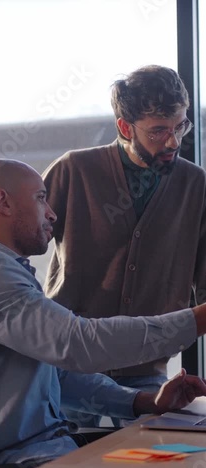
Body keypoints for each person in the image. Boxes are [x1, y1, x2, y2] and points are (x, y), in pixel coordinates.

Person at [0, 159, 206, 468]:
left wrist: (144, 402)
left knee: (184, 457)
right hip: (16, 466)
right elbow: (79, 345)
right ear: (3, 202)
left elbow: (59, 372)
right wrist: (197, 320)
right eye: (40, 198)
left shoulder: (0, 269)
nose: (51, 213)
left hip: (50, 449)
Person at [42, 64, 206, 424]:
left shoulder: (196, 184)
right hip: (70, 364)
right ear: (124, 127)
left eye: (181, 126)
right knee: (67, 463)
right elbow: (13, 237)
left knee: (150, 463)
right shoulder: (73, 170)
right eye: (158, 131)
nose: (174, 141)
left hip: (146, 364)